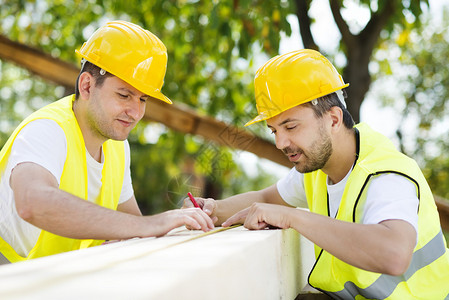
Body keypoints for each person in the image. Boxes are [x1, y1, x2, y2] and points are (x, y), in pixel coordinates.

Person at [184, 49, 449, 299]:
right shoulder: (316, 167)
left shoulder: (385, 175)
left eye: (291, 126)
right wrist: (210, 210)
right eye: (274, 130)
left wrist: (293, 217)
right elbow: (267, 198)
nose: (280, 143)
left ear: (333, 119)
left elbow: (394, 254)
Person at [0, 20, 214, 265]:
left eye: (143, 100)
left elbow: (133, 226)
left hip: (54, 277)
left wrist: (180, 220)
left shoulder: (117, 146)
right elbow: (32, 203)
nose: (135, 112)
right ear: (87, 85)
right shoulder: (46, 129)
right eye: (124, 95)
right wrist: (152, 223)